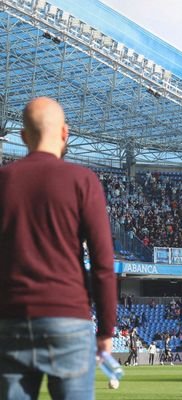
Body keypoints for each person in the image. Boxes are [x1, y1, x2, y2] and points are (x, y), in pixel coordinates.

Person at [0, 97, 117, 400]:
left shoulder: (4, 180)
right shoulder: (83, 181)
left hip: (11, 321)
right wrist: (106, 331)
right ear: (65, 133)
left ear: (23, 136)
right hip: (68, 320)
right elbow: (104, 264)